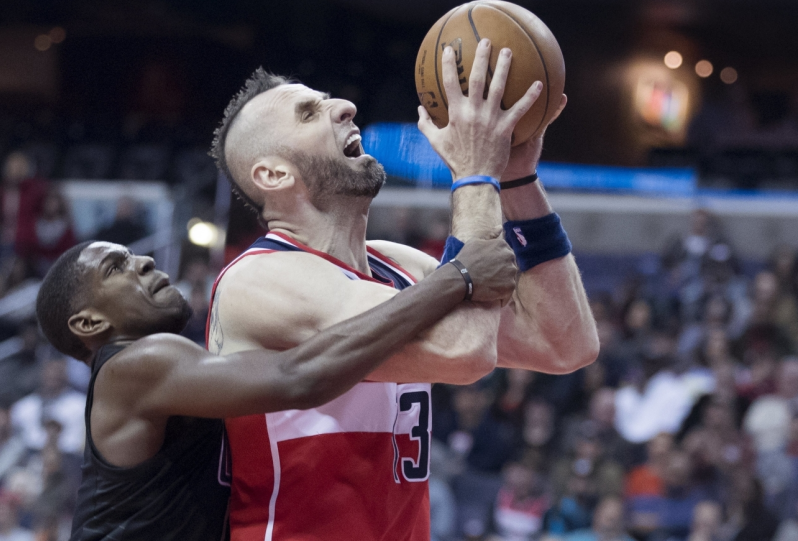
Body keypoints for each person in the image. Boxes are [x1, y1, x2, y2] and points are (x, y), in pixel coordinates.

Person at [207, 42, 598, 539]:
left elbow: (565, 344)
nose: (344, 107)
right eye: (309, 113)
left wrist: (517, 179)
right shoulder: (258, 278)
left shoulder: (400, 264)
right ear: (274, 174)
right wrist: (475, 174)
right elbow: (463, 351)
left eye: (329, 99)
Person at [34, 235, 514, 541]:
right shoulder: (132, 367)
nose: (142, 260)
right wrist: (456, 279)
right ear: (88, 321)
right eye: (116, 267)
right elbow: (300, 377)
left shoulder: (173, 369)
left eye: (132, 253)